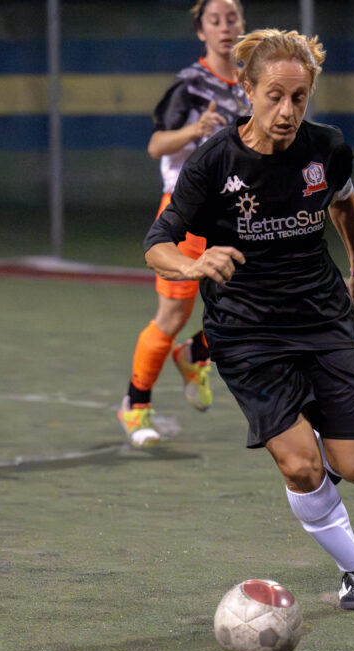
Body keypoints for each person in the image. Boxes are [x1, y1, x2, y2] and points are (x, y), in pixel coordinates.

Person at [143, 29, 354, 610]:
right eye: (274, 96)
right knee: (304, 467)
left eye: (299, 98)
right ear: (247, 92)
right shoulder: (213, 162)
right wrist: (195, 261)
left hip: (321, 318)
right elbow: (156, 243)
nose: (287, 111)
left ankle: (309, 439)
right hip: (247, 331)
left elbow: (343, 198)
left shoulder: (327, 148)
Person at [117, 0, 251, 447]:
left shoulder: (253, 84)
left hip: (235, 211)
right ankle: (135, 407)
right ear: (201, 31)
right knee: (173, 314)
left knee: (252, 304)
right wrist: (194, 132)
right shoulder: (190, 86)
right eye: (215, 20)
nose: (225, 27)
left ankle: (195, 354)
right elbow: (157, 145)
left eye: (232, 18)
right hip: (186, 211)